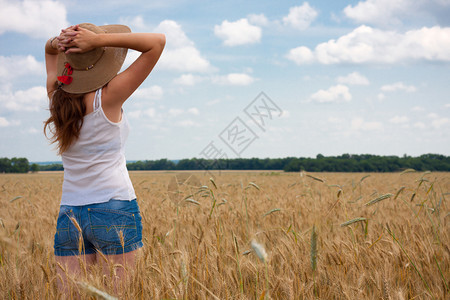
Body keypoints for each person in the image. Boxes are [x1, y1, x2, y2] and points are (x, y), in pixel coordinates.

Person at [44, 23, 165, 295]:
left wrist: (60, 41)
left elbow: (48, 51)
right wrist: (97, 40)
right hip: (114, 207)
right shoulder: (108, 98)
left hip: (70, 213)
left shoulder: (57, 98)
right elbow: (156, 43)